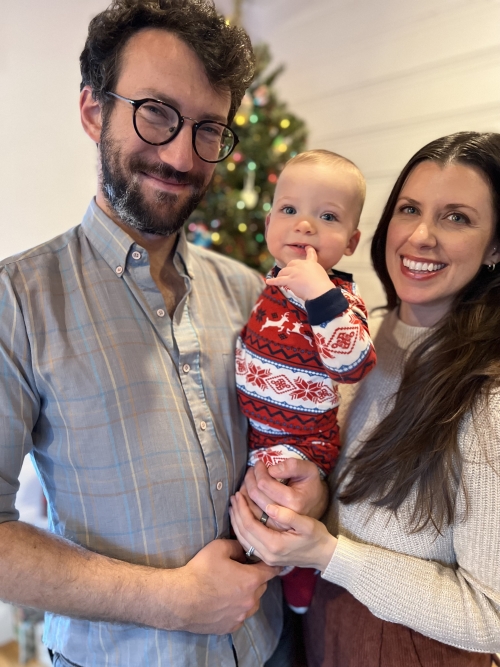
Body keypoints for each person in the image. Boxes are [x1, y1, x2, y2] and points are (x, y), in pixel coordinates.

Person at [0, 2, 327, 666]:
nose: (181, 154)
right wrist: (172, 599)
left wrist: (308, 483)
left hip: (270, 647)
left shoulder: (252, 293)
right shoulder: (18, 300)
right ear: (94, 110)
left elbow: (299, 427)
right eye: (156, 112)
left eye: (209, 129)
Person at [229, 131, 500, 666]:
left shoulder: (488, 394)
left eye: (457, 217)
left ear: (496, 246)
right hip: (319, 639)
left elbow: (490, 616)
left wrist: (327, 553)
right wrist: (314, 501)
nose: (421, 235)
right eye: (410, 209)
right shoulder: (352, 335)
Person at [235, 150, 376, 613]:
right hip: (256, 432)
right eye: (289, 210)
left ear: (351, 241)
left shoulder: (338, 299)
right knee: (248, 506)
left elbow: (354, 363)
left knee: (278, 512)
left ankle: (297, 584)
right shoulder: (269, 281)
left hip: (300, 442)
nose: (305, 225)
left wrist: (321, 296)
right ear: (270, 219)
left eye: (327, 216)